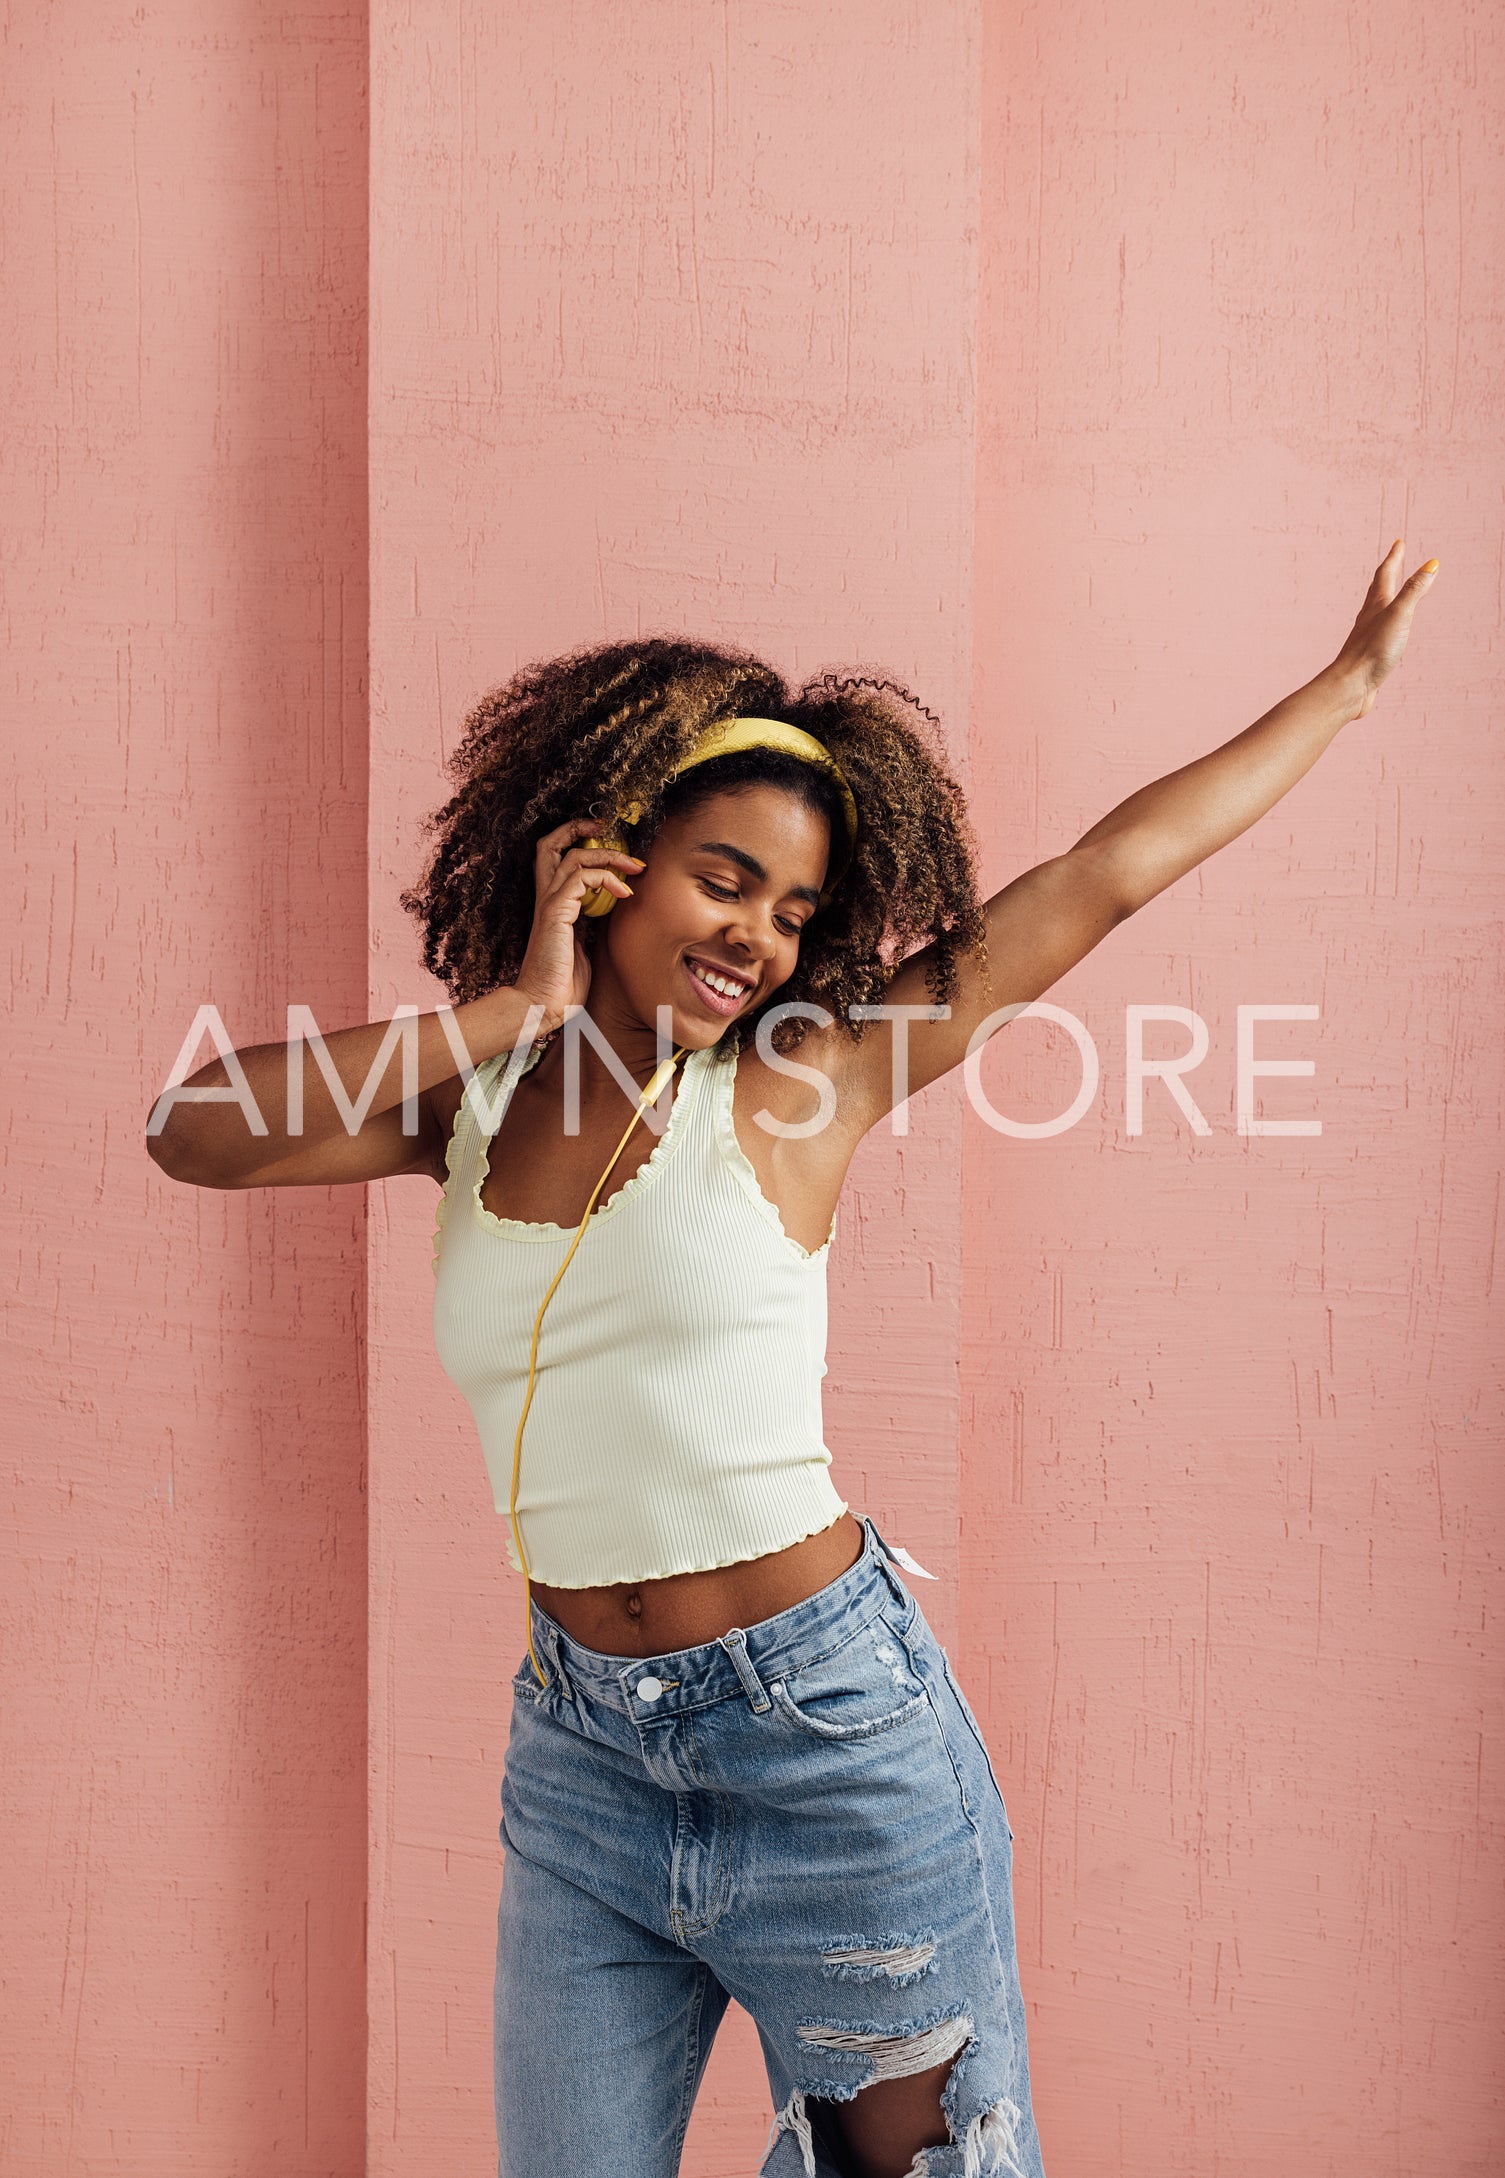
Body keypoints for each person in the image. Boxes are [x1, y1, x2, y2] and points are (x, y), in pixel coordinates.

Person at [147, 542, 1437, 2178]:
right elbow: (187, 1132)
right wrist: (508, 1006)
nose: (757, 932)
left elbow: (1098, 875)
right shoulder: (463, 1113)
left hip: (826, 1742)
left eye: (795, 906)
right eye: (721, 875)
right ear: (603, 860)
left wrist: (1343, 688)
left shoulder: (796, 1082)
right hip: (582, 1762)